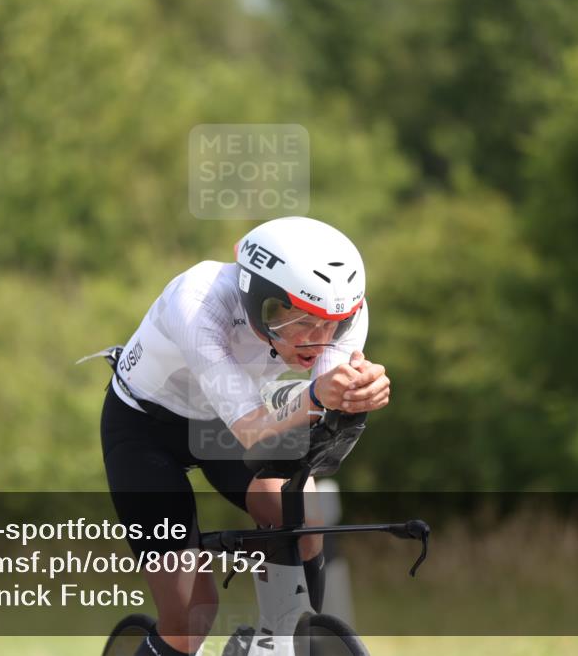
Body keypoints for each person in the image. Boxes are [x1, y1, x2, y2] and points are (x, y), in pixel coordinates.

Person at [98, 216, 391, 656]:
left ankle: (281, 641)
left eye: (334, 324)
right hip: (145, 427)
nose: (318, 339)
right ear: (256, 297)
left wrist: (354, 395)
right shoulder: (197, 303)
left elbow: (321, 410)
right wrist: (316, 393)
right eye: (297, 320)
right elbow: (255, 427)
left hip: (219, 420)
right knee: (191, 612)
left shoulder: (343, 312)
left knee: (302, 511)